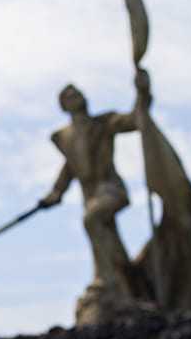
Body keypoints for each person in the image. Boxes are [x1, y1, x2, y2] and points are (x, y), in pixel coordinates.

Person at [40, 70, 151, 297]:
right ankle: (127, 283)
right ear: (64, 106)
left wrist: (143, 91)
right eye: (71, 96)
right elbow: (71, 167)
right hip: (90, 196)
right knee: (107, 238)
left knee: (93, 219)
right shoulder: (65, 137)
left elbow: (135, 119)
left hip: (111, 190)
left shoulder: (104, 123)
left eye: (79, 93)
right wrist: (55, 193)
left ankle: (107, 279)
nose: (78, 97)